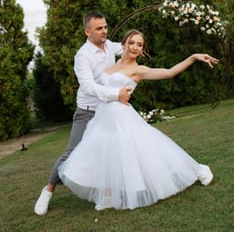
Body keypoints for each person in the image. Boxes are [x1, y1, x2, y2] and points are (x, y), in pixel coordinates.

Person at [58, 29, 219, 211]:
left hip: (122, 117)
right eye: (132, 42)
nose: (135, 47)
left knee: (152, 151)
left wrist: (193, 57)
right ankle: (109, 196)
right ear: (124, 43)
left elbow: (169, 72)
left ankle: (198, 170)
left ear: (142, 50)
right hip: (104, 118)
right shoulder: (115, 63)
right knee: (108, 153)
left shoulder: (138, 70)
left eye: (139, 45)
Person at [34, 12, 132, 215]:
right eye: (99, 28)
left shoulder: (110, 46)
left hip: (108, 111)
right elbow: (88, 87)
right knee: (71, 153)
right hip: (87, 113)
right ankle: (48, 190)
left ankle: (107, 195)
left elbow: (128, 47)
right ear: (87, 32)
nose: (104, 31)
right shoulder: (83, 56)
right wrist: (116, 94)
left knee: (112, 151)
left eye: (105, 27)